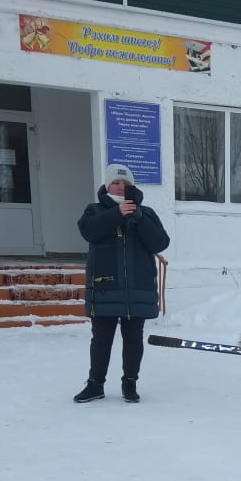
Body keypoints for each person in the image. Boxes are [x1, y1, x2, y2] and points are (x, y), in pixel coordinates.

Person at [73, 163, 170, 404]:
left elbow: (160, 243)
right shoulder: (94, 210)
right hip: (104, 288)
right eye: (115, 182)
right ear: (107, 186)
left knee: (134, 339)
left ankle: (130, 383)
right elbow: (88, 232)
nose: (120, 187)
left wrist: (139, 218)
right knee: (101, 340)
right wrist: (116, 213)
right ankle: (95, 384)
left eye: (125, 183)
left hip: (137, 289)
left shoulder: (146, 213)